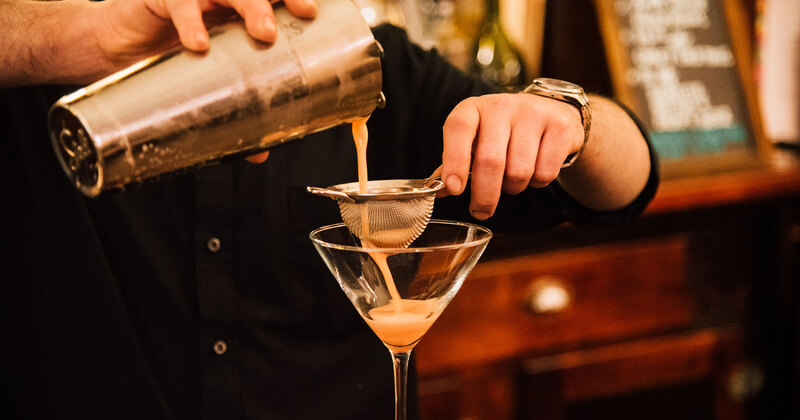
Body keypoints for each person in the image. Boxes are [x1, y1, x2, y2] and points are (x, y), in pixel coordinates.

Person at [0, 0, 658, 418]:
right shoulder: (48, 71)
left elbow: (629, 186)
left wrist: (569, 119)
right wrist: (71, 31)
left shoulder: (376, 67)